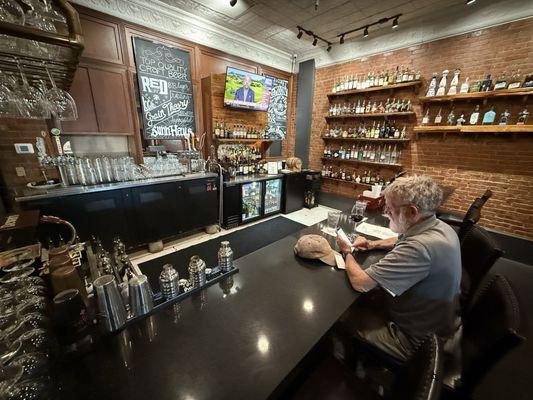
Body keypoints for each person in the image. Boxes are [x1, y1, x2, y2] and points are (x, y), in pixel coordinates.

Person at [336, 175, 461, 360]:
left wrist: (347, 252)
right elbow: (400, 239)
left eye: (390, 208)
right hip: (439, 321)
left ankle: (347, 362)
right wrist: (372, 244)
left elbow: (360, 283)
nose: (386, 213)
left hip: (418, 341)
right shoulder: (440, 226)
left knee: (343, 317)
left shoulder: (419, 248)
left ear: (411, 211)